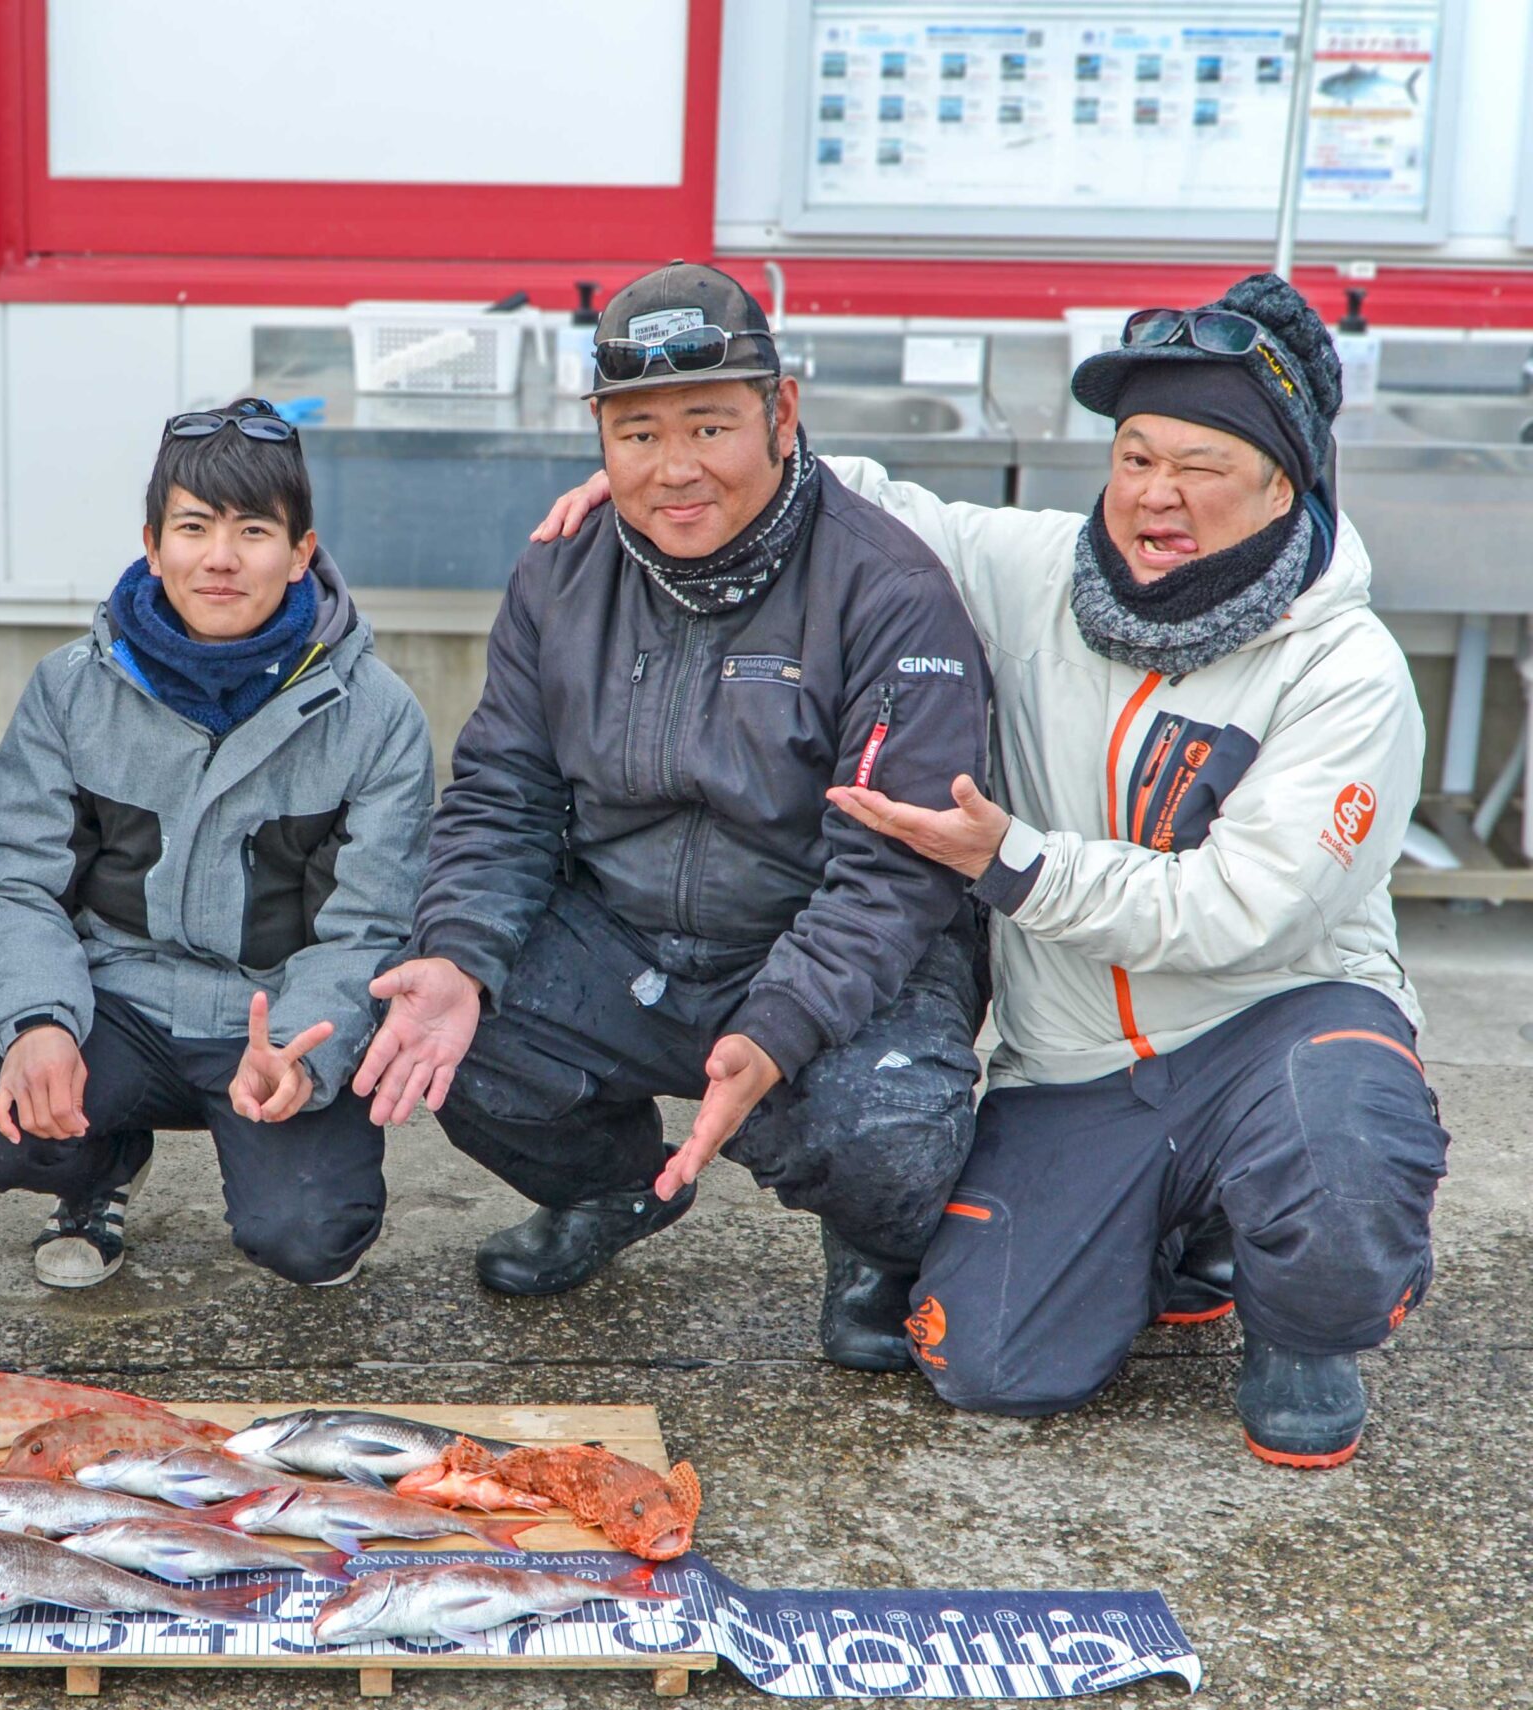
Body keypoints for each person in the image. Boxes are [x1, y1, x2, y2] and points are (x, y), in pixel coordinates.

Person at [537, 273, 1445, 1467]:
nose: (1155, 494)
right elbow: (863, 495)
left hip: (1276, 1024)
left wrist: (1013, 862)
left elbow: (1246, 912)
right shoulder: (1036, 573)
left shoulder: (1345, 667)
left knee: (1338, 1149)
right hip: (1072, 1065)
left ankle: (1305, 1322)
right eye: (1132, 456)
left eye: (1202, 464)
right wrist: (682, 474)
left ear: (1285, 482)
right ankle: (1187, 1237)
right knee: (986, 1363)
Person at [353, 262, 993, 1368]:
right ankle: (614, 1188)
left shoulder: (887, 587)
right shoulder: (560, 571)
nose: (675, 468)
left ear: (781, 413)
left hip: (811, 937)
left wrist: (778, 1026)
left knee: (889, 1140)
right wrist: (456, 954)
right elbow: (502, 790)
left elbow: (892, 872)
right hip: (625, 930)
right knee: (439, 1023)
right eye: (638, 434)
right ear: (598, 438)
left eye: (710, 424)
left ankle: (872, 1247)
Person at [0, 397, 434, 1288]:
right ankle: (100, 1171)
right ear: (151, 542)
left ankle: (281, 1150)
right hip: (119, 1004)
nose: (218, 557)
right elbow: (13, 880)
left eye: (253, 530)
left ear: (301, 552)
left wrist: (305, 1056)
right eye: (193, 527)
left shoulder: (379, 716)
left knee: (309, 1238)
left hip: (275, 1014)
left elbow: (371, 928)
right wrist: (40, 1022)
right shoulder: (69, 690)